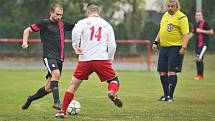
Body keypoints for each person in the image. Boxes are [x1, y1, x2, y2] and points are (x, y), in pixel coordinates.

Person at [55, 3, 123, 118]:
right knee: (114, 80)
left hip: (85, 59)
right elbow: (112, 46)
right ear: (98, 12)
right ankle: (111, 92)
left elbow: (75, 33)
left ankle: (62, 112)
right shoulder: (106, 25)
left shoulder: (82, 22)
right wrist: (109, 60)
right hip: (101, 59)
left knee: (73, 85)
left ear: (87, 12)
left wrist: (76, 46)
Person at [21, 3, 75, 110]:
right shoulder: (44, 23)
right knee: (56, 74)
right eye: (57, 14)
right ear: (51, 12)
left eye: (61, 15)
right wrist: (25, 42)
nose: (59, 17)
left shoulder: (63, 24)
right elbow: (27, 30)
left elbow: (79, 27)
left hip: (60, 58)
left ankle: (30, 99)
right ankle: (57, 102)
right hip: (49, 56)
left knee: (49, 88)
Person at [152, 0, 189, 102]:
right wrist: (155, 42)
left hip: (176, 47)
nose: (170, 8)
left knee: (172, 72)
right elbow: (161, 29)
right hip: (164, 47)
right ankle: (165, 95)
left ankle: (170, 96)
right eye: (168, 6)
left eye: (172, 6)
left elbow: (185, 34)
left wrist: (183, 47)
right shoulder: (165, 15)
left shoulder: (182, 17)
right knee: (162, 72)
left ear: (177, 7)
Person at [188, 11, 214, 80]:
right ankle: (198, 75)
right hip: (197, 45)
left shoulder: (205, 23)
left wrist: (201, 31)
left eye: (199, 15)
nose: (197, 16)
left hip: (204, 44)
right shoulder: (196, 24)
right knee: (198, 59)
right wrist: (184, 39)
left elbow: (211, 32)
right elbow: (192, 33)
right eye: (196, 15)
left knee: (199, 58)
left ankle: (200, 76)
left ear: (202, 15)